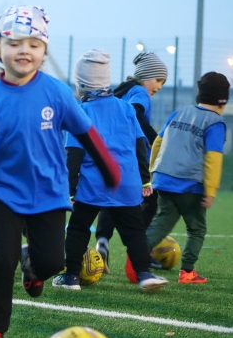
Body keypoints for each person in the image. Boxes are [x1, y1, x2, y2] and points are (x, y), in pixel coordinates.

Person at [0, 5, 121, 338]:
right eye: (14, 43)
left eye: (33, 44)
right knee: (0, 260)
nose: (24, 50)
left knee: (52, 262)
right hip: (2, 191)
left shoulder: (56, 92)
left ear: (44, 51)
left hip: (48, 191)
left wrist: (109, 168)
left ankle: (32, 266)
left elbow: (86, 132)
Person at [53, 50, 167, 293]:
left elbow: (74, 154)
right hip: (126, 183)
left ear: (82, 85)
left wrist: (69, 190)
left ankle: (71, 277)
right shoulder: (126, 108)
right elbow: (140, 145)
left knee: (78, 228)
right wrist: (144, 180)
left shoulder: (81, 112)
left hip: (92, 185)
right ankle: (144, 274)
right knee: (134, 231)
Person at [144, 72, 228, 284]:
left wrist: (153, 171)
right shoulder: (215, 123)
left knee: (161, 223)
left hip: (164, 180)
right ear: (223, 100)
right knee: (197, 229)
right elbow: (213, 158)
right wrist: (210, 190)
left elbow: (157, 143)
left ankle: (137, 257)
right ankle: (187, 272)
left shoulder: (178, 113)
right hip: (190, 185)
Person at [94, 52, 168, 268]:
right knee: (151, 198)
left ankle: (102, 241)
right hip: (131, 157)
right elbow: (135, 113)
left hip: (111, 154)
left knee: (111, 198)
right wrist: (153, 139)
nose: (160, 86)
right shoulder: (139, 92)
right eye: (158, 80)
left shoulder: (122, 90)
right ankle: (141, 247)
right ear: (146, 76)